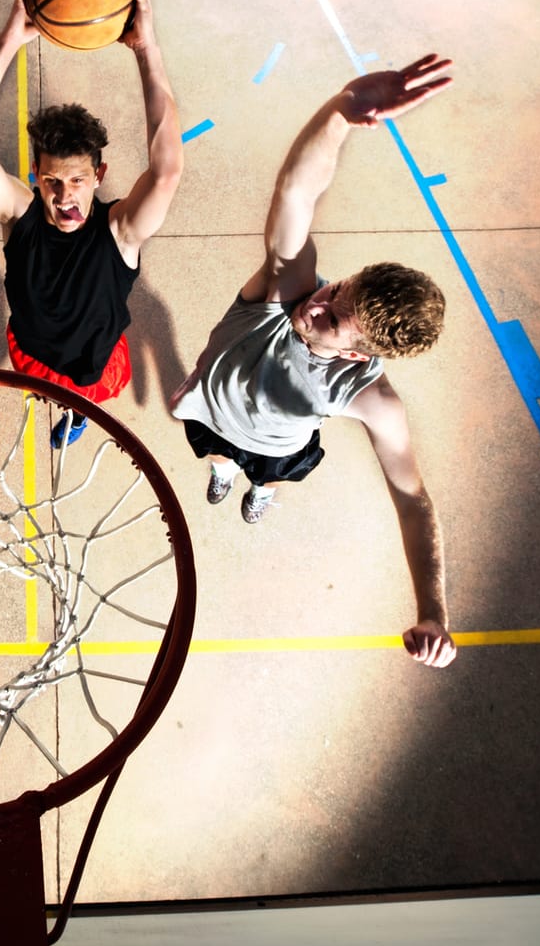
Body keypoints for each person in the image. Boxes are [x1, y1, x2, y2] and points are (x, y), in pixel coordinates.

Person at [169, 53, 458, 667]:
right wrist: (341, 113)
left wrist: (433, 609)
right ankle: (224, 471)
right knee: (216, 453)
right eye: (336, 288)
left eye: (333, 316)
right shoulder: (285, 290)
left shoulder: (370, 399)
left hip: (278, 443)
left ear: (357, 353)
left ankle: (259, 487)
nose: (318, 301)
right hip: (213, 412)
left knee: (268, 472)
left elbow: (412, 500)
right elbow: (296, 191)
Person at [0, 0, 181, 446]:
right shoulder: (20, 213)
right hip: (33, 352)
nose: (64, 194)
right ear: (35, 174)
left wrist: (146, 49)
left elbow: (167, 170)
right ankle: (69, 413)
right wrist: (10, 39)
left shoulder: (120, 231)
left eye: (77, 180)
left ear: (99, 175)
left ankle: (78, 417)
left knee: (84, 403)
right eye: (51, 179)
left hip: (95, 368)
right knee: (49, 394)